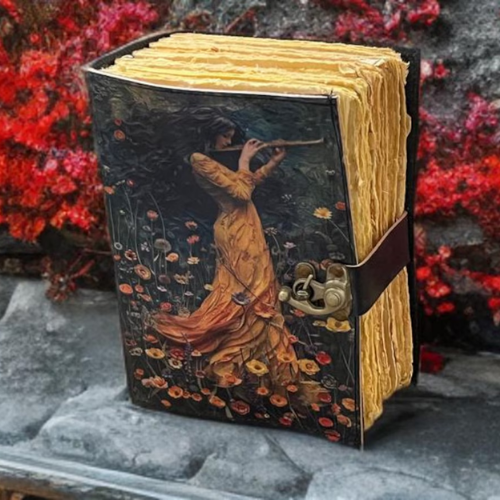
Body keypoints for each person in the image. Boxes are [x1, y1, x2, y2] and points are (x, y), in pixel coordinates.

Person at [148, 107, 299, 391]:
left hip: (247, 227)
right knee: (248, 291)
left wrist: (274, 161)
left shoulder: (210, 159)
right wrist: (245, 160)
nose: (228, 142)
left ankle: (259, 353)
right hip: (235, 231)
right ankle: (235, 352)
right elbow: (242, 192)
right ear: (210, 134)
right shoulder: (199, 160)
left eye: (230, 137)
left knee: (261, 288)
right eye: (225, 137)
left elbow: (246, 183)